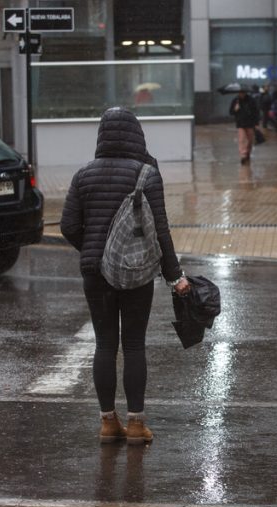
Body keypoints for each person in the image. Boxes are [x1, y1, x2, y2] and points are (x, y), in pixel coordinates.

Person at [60, 107, 190, 445]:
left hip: (95, 273)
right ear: (137, 135)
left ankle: (107, 423)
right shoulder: (146, 174)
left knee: (105, 344)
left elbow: (68, 226)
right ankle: (135, 425)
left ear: (101, 135)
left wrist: (93, 250)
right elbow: (160, 231)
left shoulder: (83, 174)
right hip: (136, 273)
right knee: (133, 344)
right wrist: (175, 276)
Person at [229, 90, 260, 165]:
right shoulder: (235, 100)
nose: (241, 94)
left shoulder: (251, 100)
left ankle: (247, 153)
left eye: (242, 93)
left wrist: (256, 123)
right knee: (242, 139)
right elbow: (230, 112)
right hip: (240, 123)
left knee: (250, 140)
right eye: (239, 93)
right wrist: (235, 109)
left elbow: (256, 112)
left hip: (250, 123)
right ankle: (243, 155)